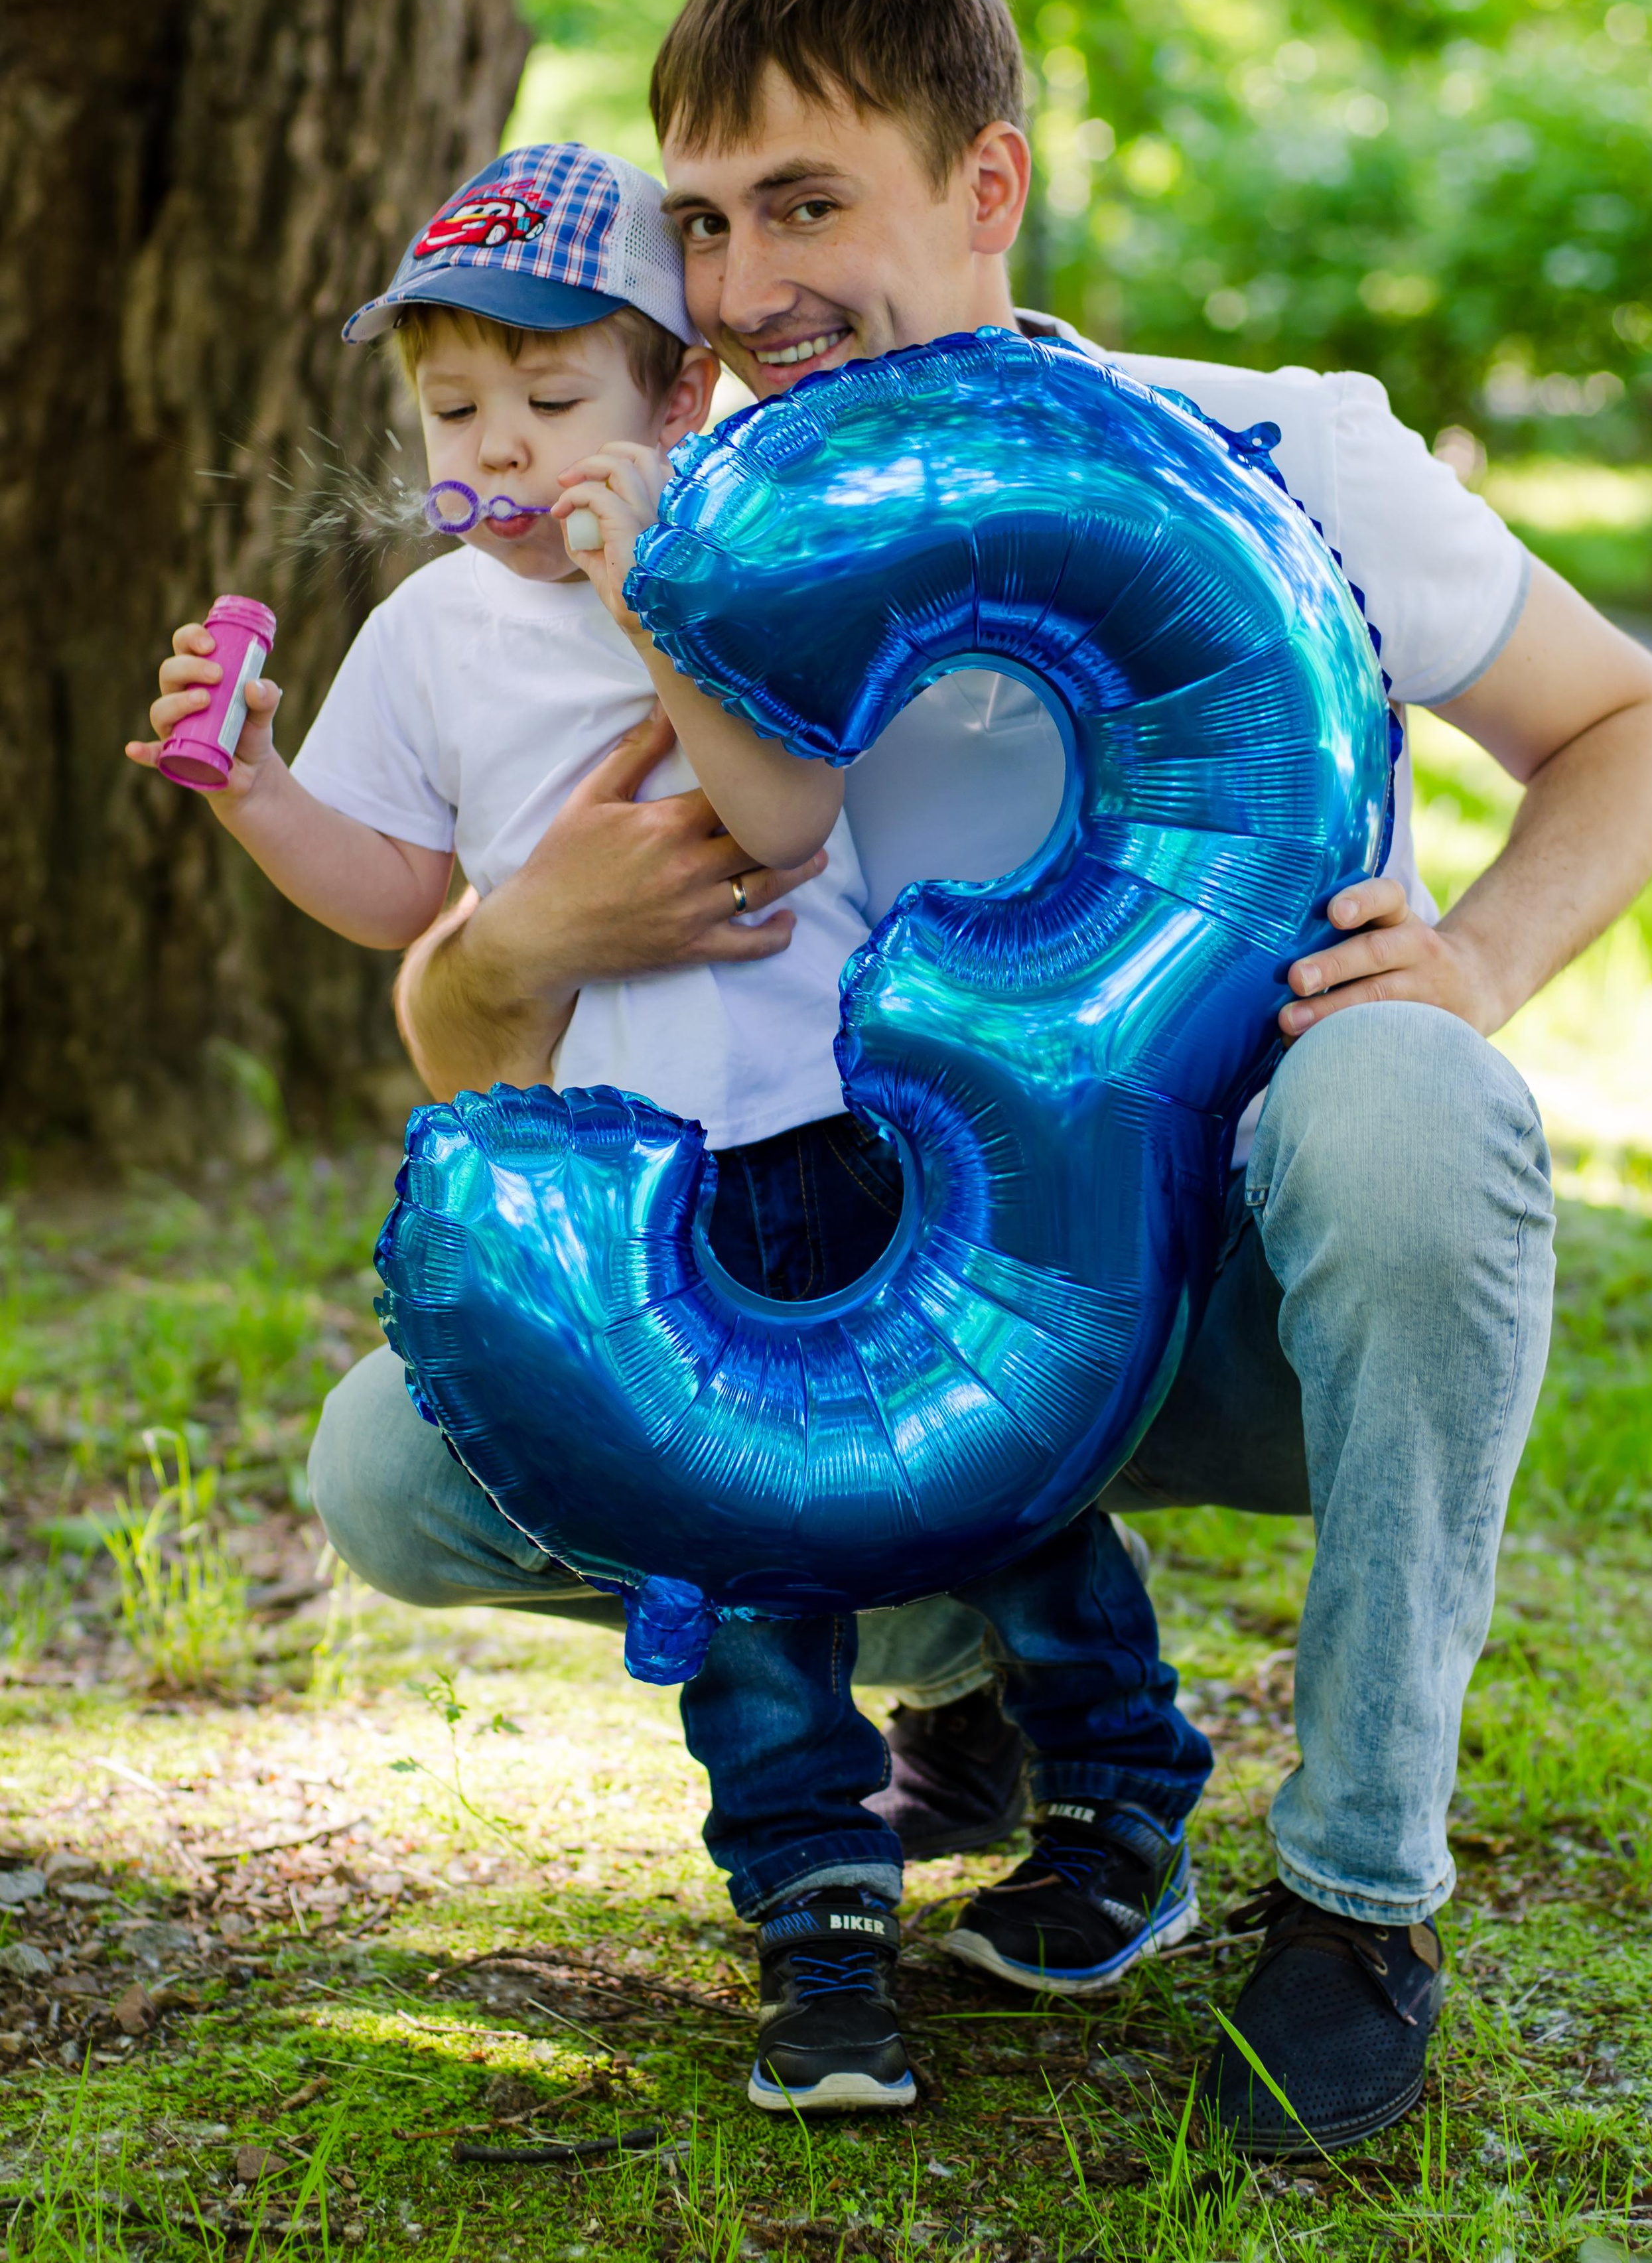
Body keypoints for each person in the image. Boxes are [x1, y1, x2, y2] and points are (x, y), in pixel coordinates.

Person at [307, 0, 1652, 2153]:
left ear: (988, 185)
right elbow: (483, 1017)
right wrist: (501, 953)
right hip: (875, 1289)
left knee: (1406, 1100)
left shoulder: (1266, 445)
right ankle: (971, 1667)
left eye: (808, 203)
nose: (747, 287)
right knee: (395, 1463)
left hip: (1239, 1296)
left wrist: (1482, 956)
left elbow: (1633, 721)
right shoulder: (673, 541)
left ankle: (1357, 1894)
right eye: (704, 223)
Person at [129, 135, 1211, 2114]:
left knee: (1014, 1483)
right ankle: (816, 1915)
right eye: (456, 410)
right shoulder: (433, 631)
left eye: (555, 402)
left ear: (677, 392)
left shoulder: (744, 556)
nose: (502, 450)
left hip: (861, 1133)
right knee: (728, 1553)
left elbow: (784, 817)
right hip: (645, 1181)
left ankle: (1119, 1793)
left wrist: (659, 604)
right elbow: (397, 889)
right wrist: (261, 788)